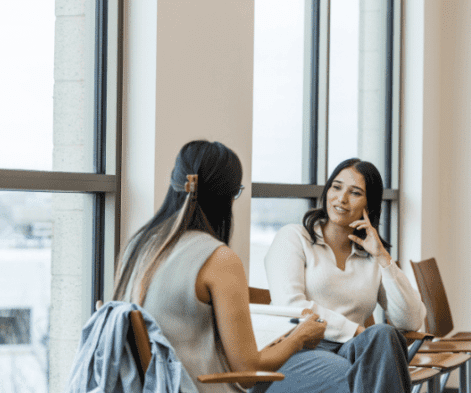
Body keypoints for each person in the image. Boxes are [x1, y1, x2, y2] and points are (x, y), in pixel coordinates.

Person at [112, 140, 330, 393]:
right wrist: (300, 337)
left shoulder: (138, 245)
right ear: (226, 196)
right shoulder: (219, 259)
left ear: (175, 182)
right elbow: (247, 371)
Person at [263, 158, 427, 393]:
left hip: (349, 351)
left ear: (369, 206)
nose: (341, 198)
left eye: (355, 192)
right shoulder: (293, 238)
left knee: (383, 334)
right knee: (361, 374)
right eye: (336, 187)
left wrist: (382, 257)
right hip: (295, 349)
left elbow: (411, 320)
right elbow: (291, 306)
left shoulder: (370, 257)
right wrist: (356, 331)